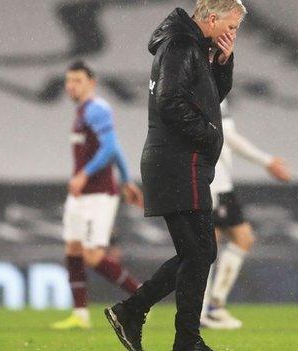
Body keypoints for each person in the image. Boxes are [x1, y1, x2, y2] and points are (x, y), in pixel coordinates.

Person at [104, 2, 246, 351]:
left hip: (179, 161)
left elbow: (206, 97)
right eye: (232, 26)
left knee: (198, 251)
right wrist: (211, 135)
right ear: (212, 19)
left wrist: (223, 63)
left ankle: (135, 312)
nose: (233, 34)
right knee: (199, 252)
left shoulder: (192, 46)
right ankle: (183, 339)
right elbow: (171, 102)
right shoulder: (182, 45)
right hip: (178, 162)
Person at [51, 60, 144, 330]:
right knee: (73, 249)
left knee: (92, 256)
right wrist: (127, 179)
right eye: (69, 80)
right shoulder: (82, 112)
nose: (71, 86)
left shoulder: (98, 109)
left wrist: (84, 174)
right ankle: (80, 315)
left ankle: (141, 297)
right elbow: (115, 149)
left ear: (92, 82)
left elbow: (108, 148)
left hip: (99, 194)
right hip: (81, 196)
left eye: (78, 80)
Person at [201, 99, 291, 329]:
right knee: (232, 240)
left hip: (217, 180)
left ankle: (206, 308)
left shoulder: (211, 86)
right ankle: (210, 308)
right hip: (214, 182)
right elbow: (226, 137)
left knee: (214, 243)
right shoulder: (207, 86)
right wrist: (267, 161)